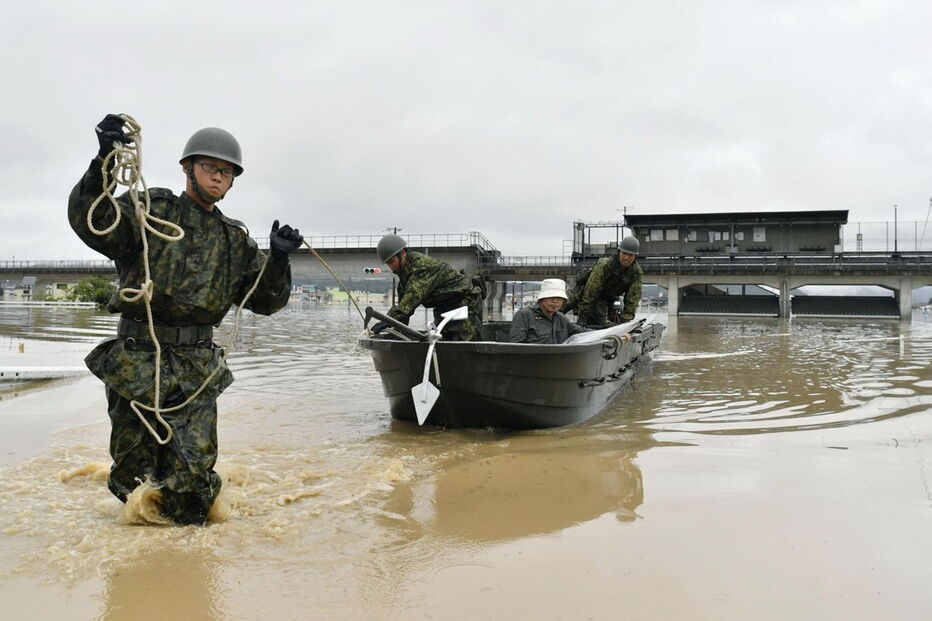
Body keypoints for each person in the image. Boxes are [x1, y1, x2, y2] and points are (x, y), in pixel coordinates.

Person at [68, 114, 304, 525]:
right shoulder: (151, 209)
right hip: (138, 361)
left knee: (193, 483)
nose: (218, 177)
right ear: (188, 168)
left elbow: (267, 300)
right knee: (133, 477)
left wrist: (279, 258)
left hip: (196, 369)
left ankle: (190, 563)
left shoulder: (234, 239)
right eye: (211, 167)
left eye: (227, 172)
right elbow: (95, 223)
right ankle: (139, 573)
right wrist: (105, 157)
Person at [372, 234, 483, 341]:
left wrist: (387, 321)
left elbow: (410, 300)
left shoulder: (420, 267)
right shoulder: (404, 277)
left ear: (403, 253)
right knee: (440, 343)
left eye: (392, 261)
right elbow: (403, 312)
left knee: (464, 346)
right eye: (388, 264)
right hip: (443, 307)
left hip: (465, 303)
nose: (391, 267)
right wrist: (392, 328)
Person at [565, 235, 643, 328]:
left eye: (630, 255)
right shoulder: (605, 265)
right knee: (562, 305)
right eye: (624, 254)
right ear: (619, 253)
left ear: (635, 256)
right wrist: (584, 314)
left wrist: (625, 322)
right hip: (581, 291)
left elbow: (633, 298)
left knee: (601, 322)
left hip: (603, 299)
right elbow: (591, 289)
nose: (626, 258)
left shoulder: (636, 272)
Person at [509, 278, 590, 344]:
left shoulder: (561, 318)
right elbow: (517, 346)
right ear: (542, 299)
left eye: (559, 298)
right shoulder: (524, 315)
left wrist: (602, 333)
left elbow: (582, 332)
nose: (555, 301)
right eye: (551, 297)